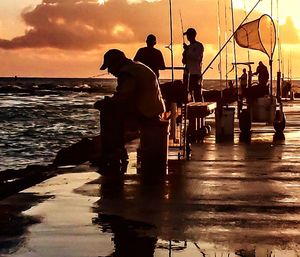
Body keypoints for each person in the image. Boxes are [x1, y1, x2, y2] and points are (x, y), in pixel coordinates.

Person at [94, 49, 165, 176]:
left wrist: (106, 103)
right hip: (154, 110)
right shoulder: (137, 66)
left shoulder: (127, 72)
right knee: (112, 110)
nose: (109, 71)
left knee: (108, 112)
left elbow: (124, 96)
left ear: (116, 63)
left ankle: (112, 152)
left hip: (146, 113)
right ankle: (116, 150)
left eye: (109, 67)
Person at [182, 27, 204, 102]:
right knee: (187, 92)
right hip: (187, 73)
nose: (187, 37)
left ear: (193, 35)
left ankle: (200, 107)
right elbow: (184, 61)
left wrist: (187, 50)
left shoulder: (199, 46)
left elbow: (196, 57)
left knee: (197, 93)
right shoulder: (188, 47)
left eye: (189, 35)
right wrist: (185, 52)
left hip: (195, 73)